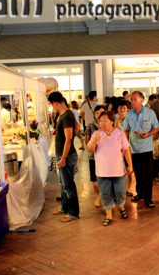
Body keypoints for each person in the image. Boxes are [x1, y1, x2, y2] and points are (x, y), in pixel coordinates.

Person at [87, 111, 133, 226]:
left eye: (105, 120)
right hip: (102, 171)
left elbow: (126, 150)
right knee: (105, 193)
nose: (102, 123)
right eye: (100, 120)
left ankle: (121, 207)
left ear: (112, 121)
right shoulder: (96, 134)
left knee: (120, 192)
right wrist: (93, 140)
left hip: (118, 170)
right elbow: (90, 149)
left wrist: (130, 165)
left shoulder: (119, 133)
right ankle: (109, 215)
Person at [124, 91, 159, 208]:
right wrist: (125, 145)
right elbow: (126, 130)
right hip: (134, 149)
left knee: (148, 174)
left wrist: (149, 134)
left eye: (135, 99)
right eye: (131, 99)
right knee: (138, 173)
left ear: (141, 100)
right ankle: (140, 193)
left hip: (147, 149)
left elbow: (157, 127)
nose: (132, 101)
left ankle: (148, 199)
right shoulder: (129, 115)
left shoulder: (150, 113)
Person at [49, 92, 79, 222]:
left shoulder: (66, 115)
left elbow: (69, 138)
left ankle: (73, 212)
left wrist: (64, 158)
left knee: (68, 185)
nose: (53, 107)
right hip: (63, 154)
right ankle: (65, 208)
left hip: (66, 155)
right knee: (63, 184)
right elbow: (76, 128)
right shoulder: (66, 114)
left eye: (52, 105)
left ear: (55, 103)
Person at [85, 105, 105, 207]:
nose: (98, 115)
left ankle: (108, 198)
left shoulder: (109, 126)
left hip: (106, 158)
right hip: (93, 157)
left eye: (101, 113)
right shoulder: (90, 126)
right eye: (96, 113)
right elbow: (87, 142)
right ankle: (98, 196)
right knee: (95, 182)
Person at [115, 100, 136, 196]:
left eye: (124, 108)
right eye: (120, 108)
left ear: (127, 109)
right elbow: (114, 131)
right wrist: (118, 120)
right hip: (118, 148)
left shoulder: (131, 117)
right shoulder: (115, 118)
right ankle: (121, 188)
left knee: (130, 167)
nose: (122, 110)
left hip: (129, 146)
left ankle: (129, 189)